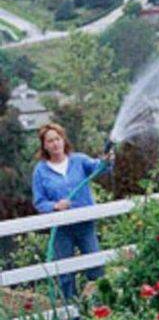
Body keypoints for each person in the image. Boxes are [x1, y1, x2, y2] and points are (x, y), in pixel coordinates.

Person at [32, 122, 112, 302]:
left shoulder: (79, 160)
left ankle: (100, 309)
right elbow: (39, 202)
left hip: (85, 224)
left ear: (63, 140)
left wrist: (107, 160)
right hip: (61, 229)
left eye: (57, 139)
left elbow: (100, 167)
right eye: (50, 141)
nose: (55, 144)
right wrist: (55, 206)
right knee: (65, 276)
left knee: (96, 268)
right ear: (44, 145)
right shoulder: (40, 171)